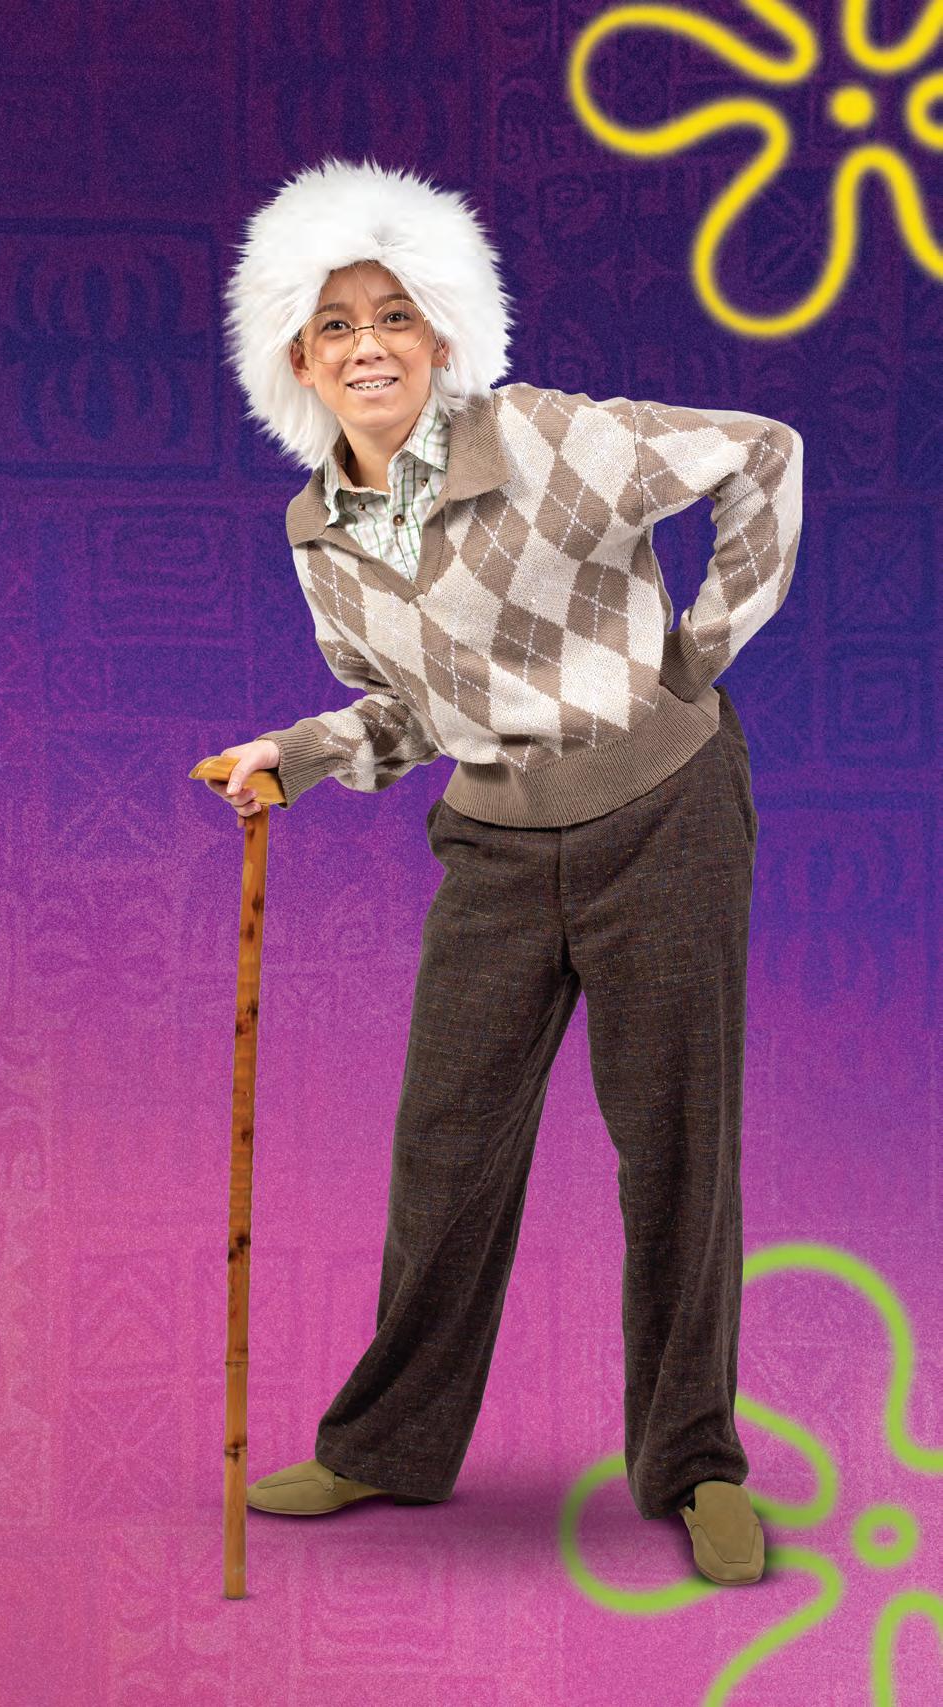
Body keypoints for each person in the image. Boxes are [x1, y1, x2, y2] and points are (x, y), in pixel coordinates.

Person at [211, 154, 803, 1588]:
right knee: (446, 1148)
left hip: (660, 819)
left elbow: (762, 453)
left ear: (440, 334)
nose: (368, 347)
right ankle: (387, 1444)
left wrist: (695, 654)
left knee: (674, 1151)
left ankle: (696, 1464)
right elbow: (411, 711)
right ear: (298, 359)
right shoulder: (318, 533)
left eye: (393, 318)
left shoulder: (543, 439)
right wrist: (295, 754)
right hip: (493, 841)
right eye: (336, 325)